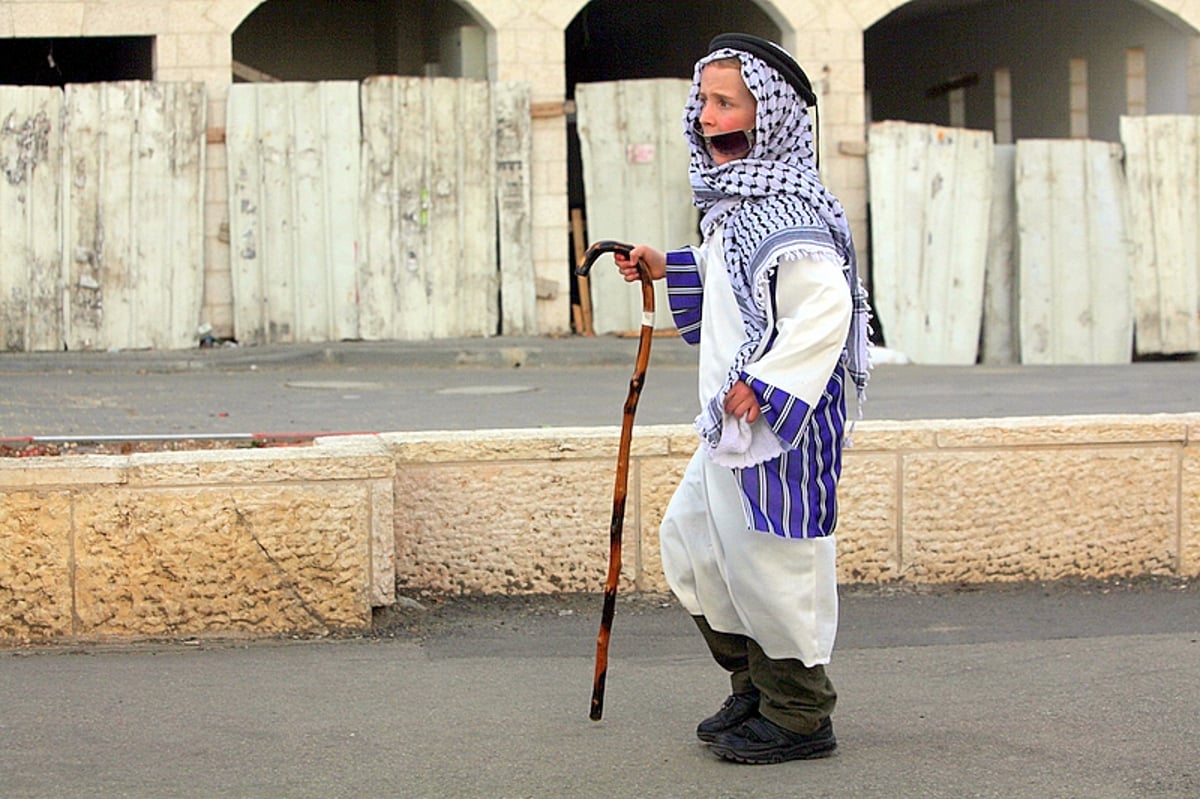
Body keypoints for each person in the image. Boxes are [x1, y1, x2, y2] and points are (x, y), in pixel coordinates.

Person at [612, 33, 870, 765]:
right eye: (704, 102)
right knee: (694, 546)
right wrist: (672, 264)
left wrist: (765, 384)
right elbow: (731, 279)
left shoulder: (793, 216)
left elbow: (825, 314)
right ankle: (755, 683)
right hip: (730, 429)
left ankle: (799, 711)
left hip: (775, 432)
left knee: (772, 564)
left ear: (774, 116)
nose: (708, 117)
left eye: (727, 103)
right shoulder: (737, 209)